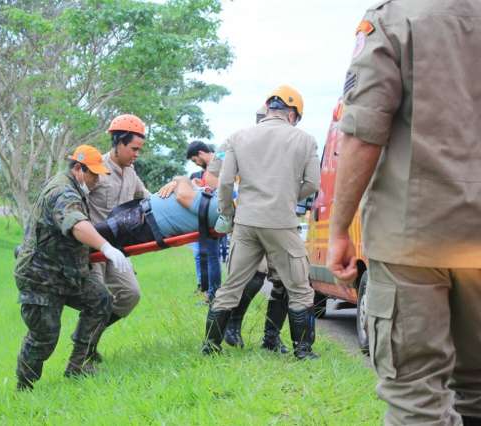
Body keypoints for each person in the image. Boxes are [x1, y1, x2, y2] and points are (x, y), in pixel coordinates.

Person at [327, 2, 481, 424]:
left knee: (416, 394)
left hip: (413, 236)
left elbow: (363, 131)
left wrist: (339, 228)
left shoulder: (394, 17)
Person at [202, 85, 320, 360]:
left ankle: (210, 347)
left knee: (231, 286)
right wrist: (288, 196)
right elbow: (312, 183)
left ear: (268, 109)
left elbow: (225, 182)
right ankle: (302, 351)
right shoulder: (305, 140)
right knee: (299, 288)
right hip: (281, 223)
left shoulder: (237, 137)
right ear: (293, 114)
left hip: (245, 222)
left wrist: (228, 215)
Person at [14, 145, 130, 390]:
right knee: (44, 338)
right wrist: (106, 247)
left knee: (100, 301)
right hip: (40, 277)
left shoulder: (76, 188)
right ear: (78, 168)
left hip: (69, 274)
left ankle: (77, 367)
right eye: (93, 175)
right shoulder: (62, 192)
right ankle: (24, 387)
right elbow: (76, 224)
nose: (97, 180)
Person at [86, 114, 149, 361]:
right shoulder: (96, 170)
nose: (136, 154)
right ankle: (84, 352)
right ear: (118, 143)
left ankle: (91, 337)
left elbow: (146, 198)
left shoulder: (131, 173)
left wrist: (171, 190)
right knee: (97, 300)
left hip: (117, 250)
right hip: (92, 249)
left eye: (139, 150)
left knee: (130, 295)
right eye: (133, 148)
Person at [185, 141, 221, 303]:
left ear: (200, 153)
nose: (196, 164)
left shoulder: (216, 164)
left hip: (214, 218)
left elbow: (217, 192)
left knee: (212, 257)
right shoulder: (212, 167)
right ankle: (212, 293)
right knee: (210, 256)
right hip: (213, 217)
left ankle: (213, 295)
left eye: (195, 160)